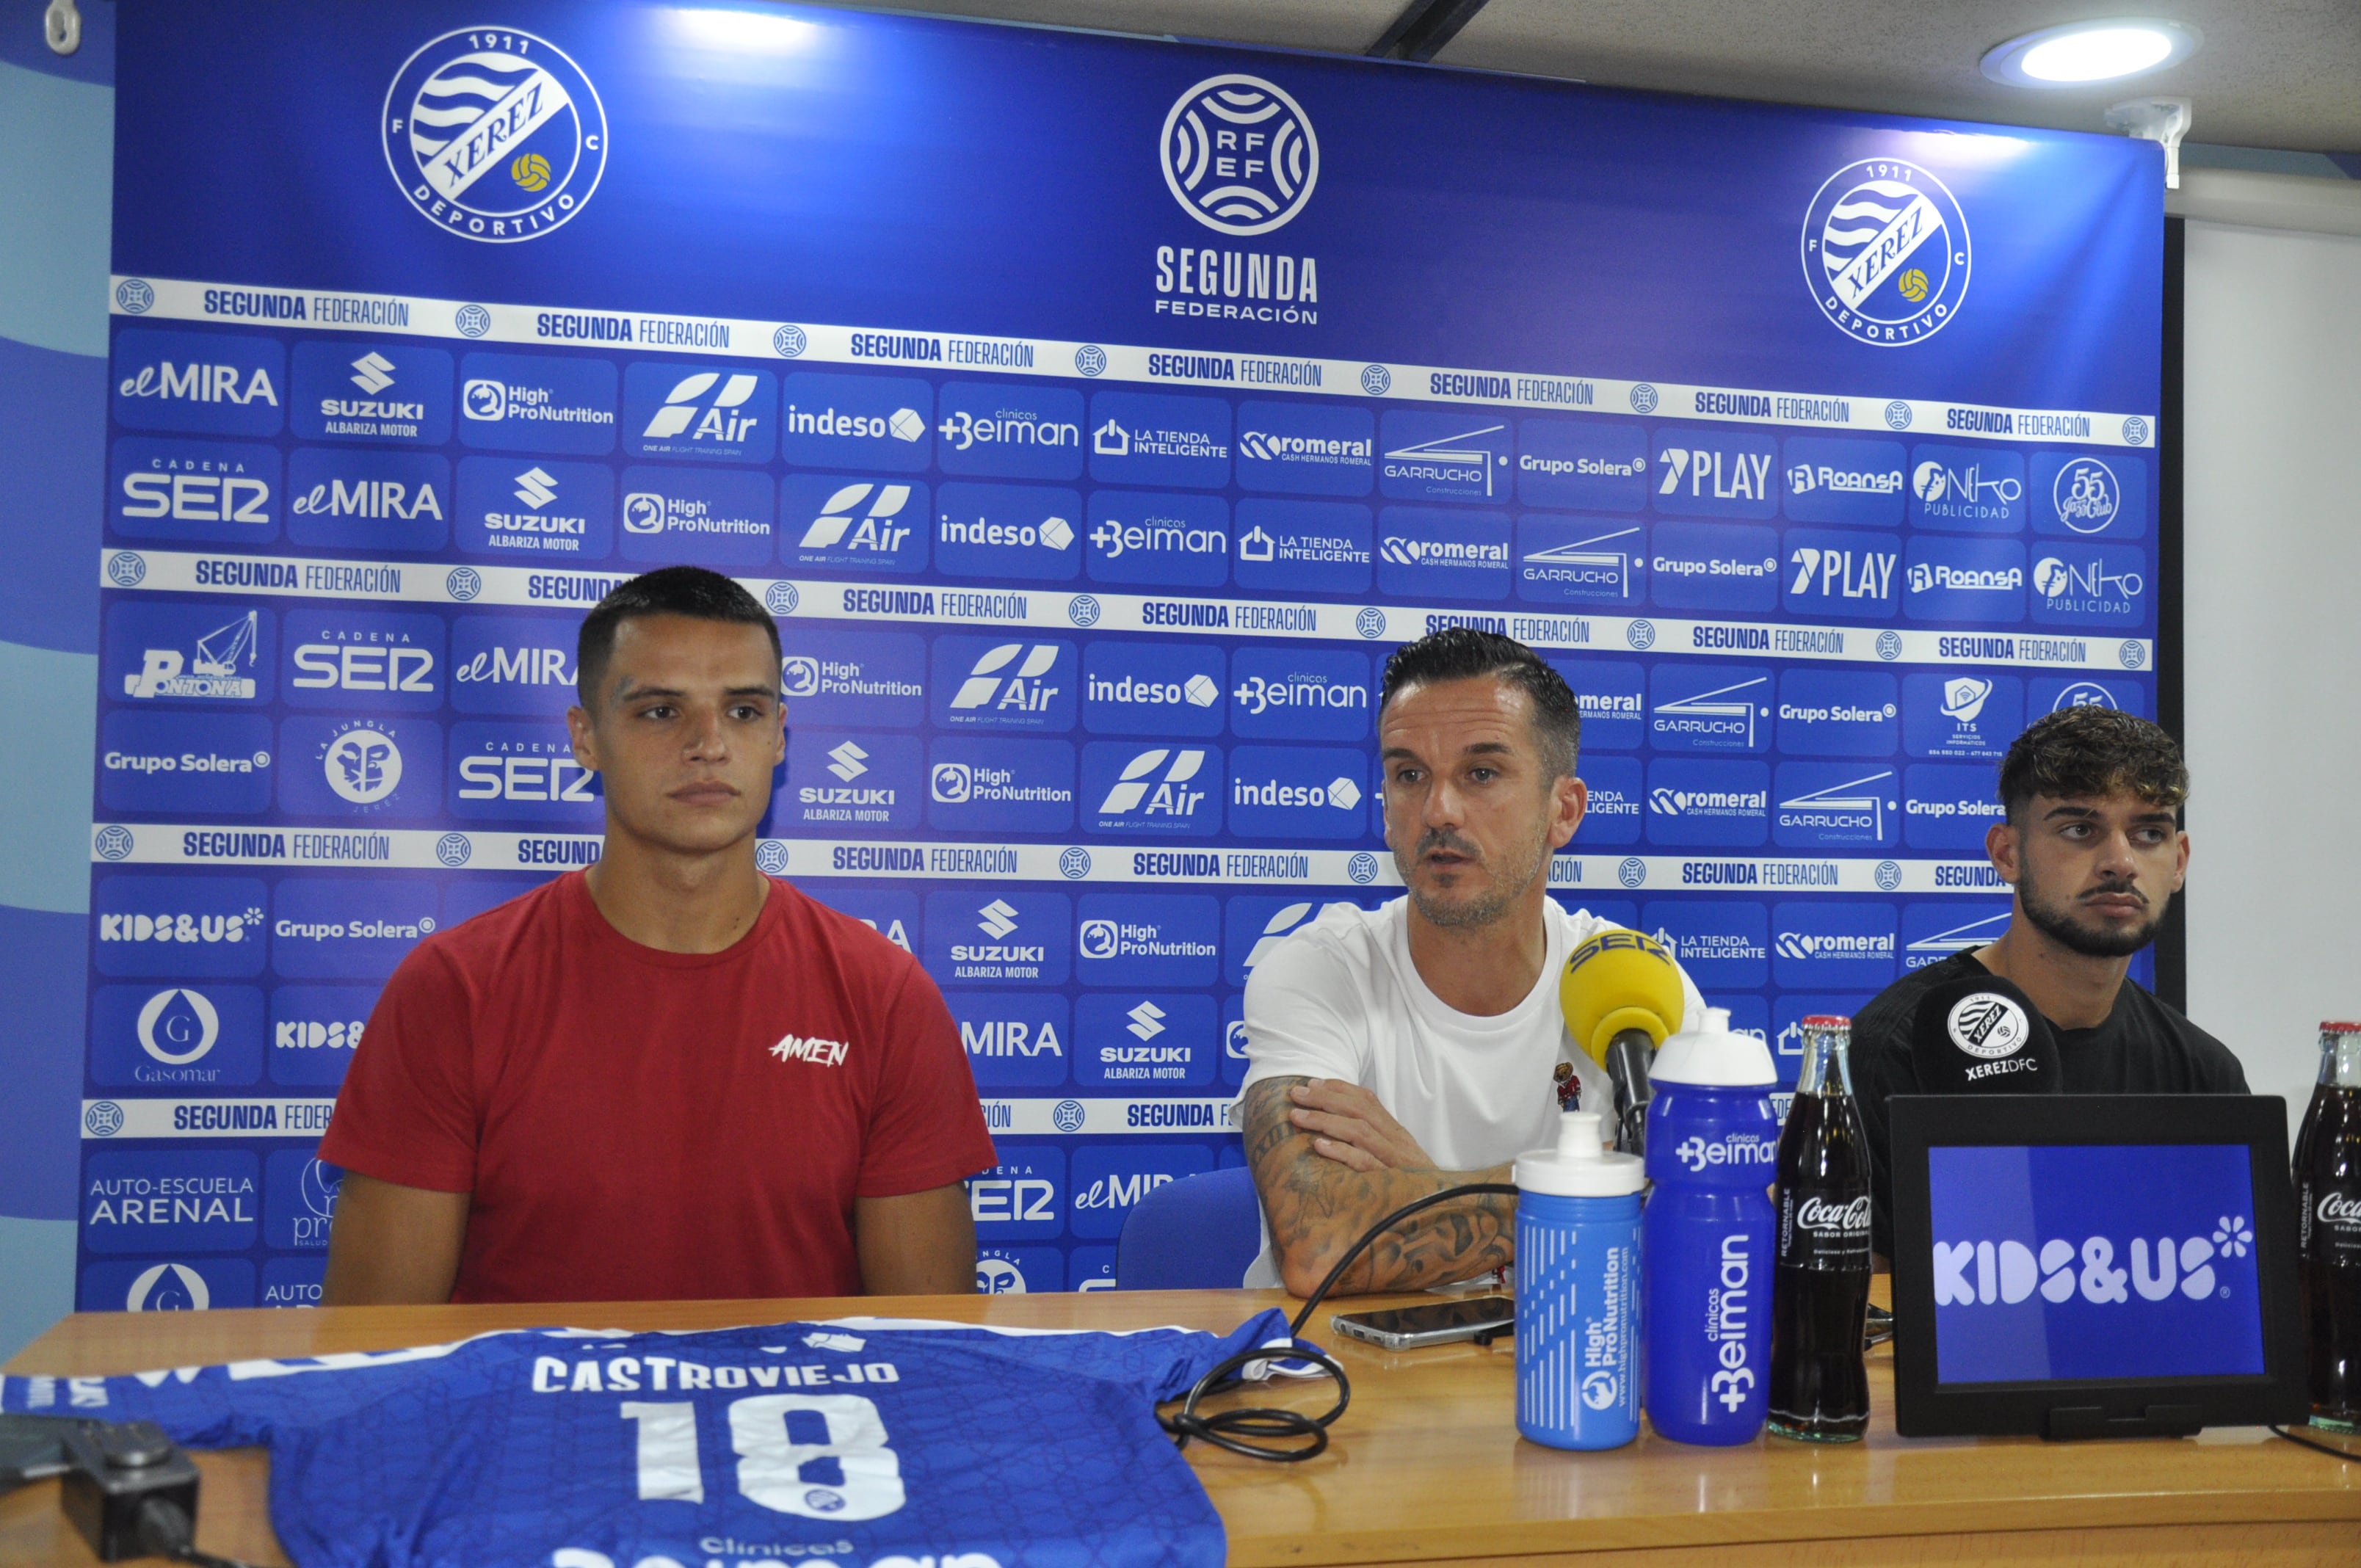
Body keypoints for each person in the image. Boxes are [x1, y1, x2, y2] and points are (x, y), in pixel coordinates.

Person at [319, 566, 997, 1304]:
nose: (708, 744)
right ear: (586, 738)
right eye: (659, 712)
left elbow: (929, 1351)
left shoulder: (884, 997)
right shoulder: (455, 989)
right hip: (535, 1423)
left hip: (792, 1420)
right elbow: (375, 1356)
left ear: (779, 735)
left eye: (742, 711)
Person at [1237, 628, 1705, 1296]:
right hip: (1345, 1386)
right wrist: (1605, 1184)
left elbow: (1713, 1209)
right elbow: (1322, 1243)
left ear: (1563, 810)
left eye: (1481, 774)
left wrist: (1420, 1183)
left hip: (1567, 1372)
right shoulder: (1321, 971)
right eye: (1409, 775)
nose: (1438, 810)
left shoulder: (1635, 984)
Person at [1851, 705, 2248, 1255]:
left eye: (2149, 832)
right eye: (2080, 829)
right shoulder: (1898, 1044)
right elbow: (1868, 1309)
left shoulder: (2204, 1073)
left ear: (2179, 862)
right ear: (2007, 854)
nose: (2121, 862)